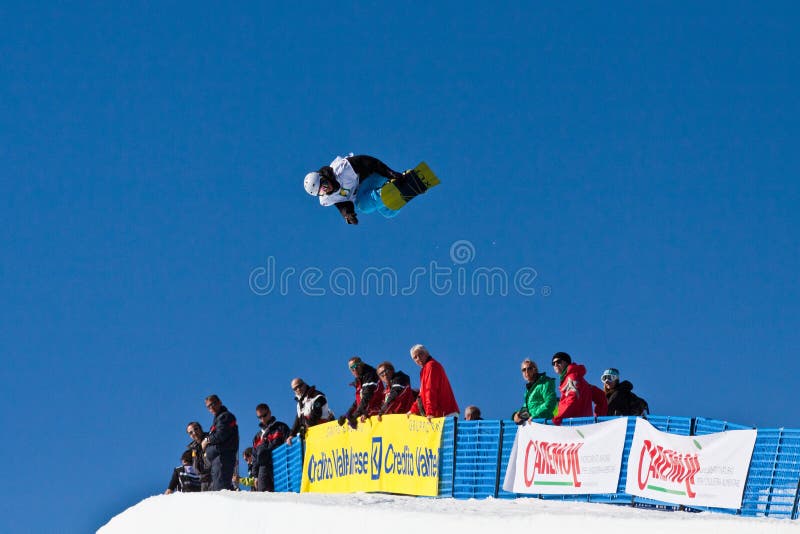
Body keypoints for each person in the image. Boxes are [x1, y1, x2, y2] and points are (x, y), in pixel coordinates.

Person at [303, 154, 408, 223]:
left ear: (324, 177)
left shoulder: (342, 170)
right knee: (389, 212)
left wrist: (390, 173)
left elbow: (370, 162)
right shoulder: (326, 199)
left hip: (373, 176)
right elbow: (341, 203)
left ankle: (390, 186)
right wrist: (348, 214)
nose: (327, 189)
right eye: (322, 191)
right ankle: (405, 189)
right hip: (364, 192)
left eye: (324, 184)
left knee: (364, 206)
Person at [550, 352, 606, 425]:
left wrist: (557, 418)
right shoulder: (577, 378)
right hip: (582, 424)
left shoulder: (571, 377)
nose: (555, 365)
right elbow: (601, 396)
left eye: (558, 362)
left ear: (567, 362)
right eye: (553, 363)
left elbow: (572, 398)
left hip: (575, 424)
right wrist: (598, 420)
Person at [408, 344, 459, 419]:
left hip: (446, 413)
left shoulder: (431, 366)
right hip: (442, 414)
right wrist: (412, 410)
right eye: (415, 357)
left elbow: (430, 389)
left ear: (426, 353)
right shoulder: (424, 369)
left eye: (420, 354)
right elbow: (422, 394)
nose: (418, 358)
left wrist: (430, 413)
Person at [201, 394, 239, 491]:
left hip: (223, 458)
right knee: (219, 488)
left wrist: (207, 440)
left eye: (213, 404)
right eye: (208, 406)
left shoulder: (225, 416)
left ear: (219, 402)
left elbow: (220, 435)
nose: (211, 408)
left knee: (220, 489)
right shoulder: (218, 418)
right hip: (217, 460)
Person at [252, 403, 290, 492]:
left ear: (269, 413)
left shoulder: (281, 427)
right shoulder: (257, 437)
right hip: (263, 471)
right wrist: (255, 476)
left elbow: (288, 446)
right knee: (264, 498)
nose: (262, 419)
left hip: (279, 467)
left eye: (264, 415)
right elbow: (254, 458)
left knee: (282, 495)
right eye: (259, 417)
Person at [286, 378, 335, 444]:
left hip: (325, 434)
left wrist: (304, 428)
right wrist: (291, 435)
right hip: (312, 438)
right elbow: (298, 418)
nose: (298, 389)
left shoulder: (318, 396)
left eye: (300, 386)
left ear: (305, 384)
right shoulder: (300, 403)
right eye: (295, 389)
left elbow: (316, 414)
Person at [338, 357, 383, 428]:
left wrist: (355, 415)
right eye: (351, 368)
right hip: (367, 415)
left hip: (376, 413)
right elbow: (358, 401)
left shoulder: (370, 375)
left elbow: (367, 397)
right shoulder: (360, 379)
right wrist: (347, 414)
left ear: (361, 364)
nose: (354, 369)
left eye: (356, 366)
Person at [512, 359, 558, 424]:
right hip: (534, 425)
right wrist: (517, 416)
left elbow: (550, 403)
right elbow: (527, 409)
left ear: (535, 370)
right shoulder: (529, 390)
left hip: (545, 424)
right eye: (523, 370)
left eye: (529, 368)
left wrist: (535, 416)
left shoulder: (545, 383)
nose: (526, 371)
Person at [186, 421, 212, 491]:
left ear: (200, 428)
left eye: (196, 429)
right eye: (190, 432)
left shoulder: (211, 438)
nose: (194, 433)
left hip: (215, 477)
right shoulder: (192, 448)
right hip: (203, 481)